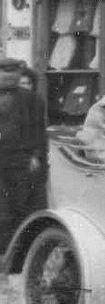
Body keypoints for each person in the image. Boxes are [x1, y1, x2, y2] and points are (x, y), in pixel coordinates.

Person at [0, 56, 49, 249]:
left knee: (21, 208)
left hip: (21, 162)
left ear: (20, 74)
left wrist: (36, 156)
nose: (9, 76)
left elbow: (39, 131)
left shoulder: (32, 100)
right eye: (4, 72)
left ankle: (17, 255)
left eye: (13, 72)